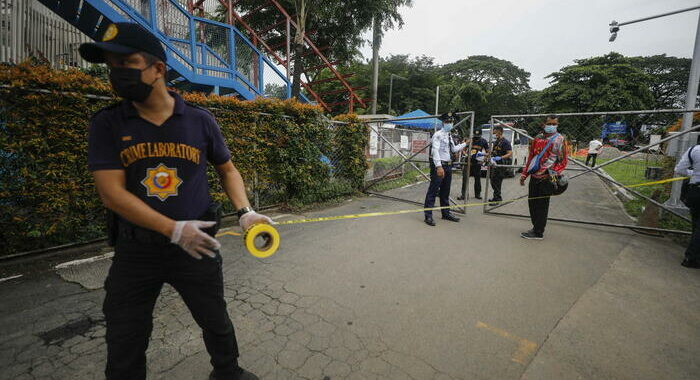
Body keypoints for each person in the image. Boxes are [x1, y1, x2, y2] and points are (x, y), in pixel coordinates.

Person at [79, 22, 269, 380]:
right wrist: (172, 228)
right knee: (125, 335)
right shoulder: (107, 124)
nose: (116, 74)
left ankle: (228, 373)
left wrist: (245, 212)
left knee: (215, 318)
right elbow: (110, 192)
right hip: (137, 251)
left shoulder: (199, 121)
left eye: (126, 62)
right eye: (111, 66)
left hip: (196, 246)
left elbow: (227, 170)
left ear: (158, 69)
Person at [519, 115, 568, 240]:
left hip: (546, 178)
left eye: (554, 124)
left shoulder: (560, 140)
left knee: (542, 205)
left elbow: (563, 161)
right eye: (549, 123)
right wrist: (525, 174)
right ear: (543, 124)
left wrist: (552, 172)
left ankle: (538, 232)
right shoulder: (537, 139)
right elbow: (531, 157)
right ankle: (535, 227)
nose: (552, 126)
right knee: (532, 203)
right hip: (534, 176)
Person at [424, 112, 468, 226]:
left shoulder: (449, 135)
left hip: (448, 166)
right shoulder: (438, 135)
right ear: (443, 123)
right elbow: (435, 152)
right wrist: (438, 167)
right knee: (433, 191)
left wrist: (465, 144)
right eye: (447, 122)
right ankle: (428, 216)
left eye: (451, 121)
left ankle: (446, 213)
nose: (450, 123)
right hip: (440, 166)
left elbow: (453, 149)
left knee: (445, 191)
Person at [674, 144, 700, 269]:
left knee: (696, 224)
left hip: (695, 192)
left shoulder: (694, 150)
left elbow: (679, 170)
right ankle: (692, 257)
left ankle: (692, 255)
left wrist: (694, 173)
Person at [458, 128, 489, 200]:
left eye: (478, 137)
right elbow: (464, 150)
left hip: (477, 162)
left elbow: (488, 152)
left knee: (477, 179)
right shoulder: (470, 140)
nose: (476, 138)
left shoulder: (483, 141)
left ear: (480, 136)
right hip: (468, 162)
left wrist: (484, 157)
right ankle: (464, 194)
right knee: (465, 178)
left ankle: (477, 194)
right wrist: (466, 154)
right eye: (475, 137)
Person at [488, 125, 513, 203]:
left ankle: (497, 198)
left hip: (501, 164)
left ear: (499, 132)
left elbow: (510, 153)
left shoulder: (505, 142)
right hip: (494, 164)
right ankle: (496, 197)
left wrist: (501, 157)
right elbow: (493, 152)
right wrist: (485, 155)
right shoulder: (496, 141)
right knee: (493, 181)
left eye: (495, 132)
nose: (494, 133)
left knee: (497, 181)